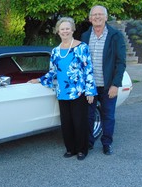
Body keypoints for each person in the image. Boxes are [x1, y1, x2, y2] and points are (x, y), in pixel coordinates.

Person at [29, 17, 97, 160]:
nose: (65, 31)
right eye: (62, 29)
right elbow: (53, 71)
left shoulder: (81, 47)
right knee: (66, 122)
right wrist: (40, 80)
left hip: (78, 91)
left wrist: (90, 91)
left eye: (67, 28)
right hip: (62, 92)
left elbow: (88, 70)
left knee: (79, 122)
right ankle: (70, 149)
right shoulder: (55, 51)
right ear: (58, 32)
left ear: (72, 30)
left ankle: (82, 150)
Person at [81, 5, 126, 155]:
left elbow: (121, 62)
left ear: (106, 17)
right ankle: (88, 143)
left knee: (108, 116)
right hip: (90, 86)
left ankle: (107, 143)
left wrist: (115, 84)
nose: (97, 17)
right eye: (94, 15)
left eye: (100, 14)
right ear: (90, 18)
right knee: (88, 115)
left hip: (108, 86)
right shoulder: (85, 36)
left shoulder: (115, 36)